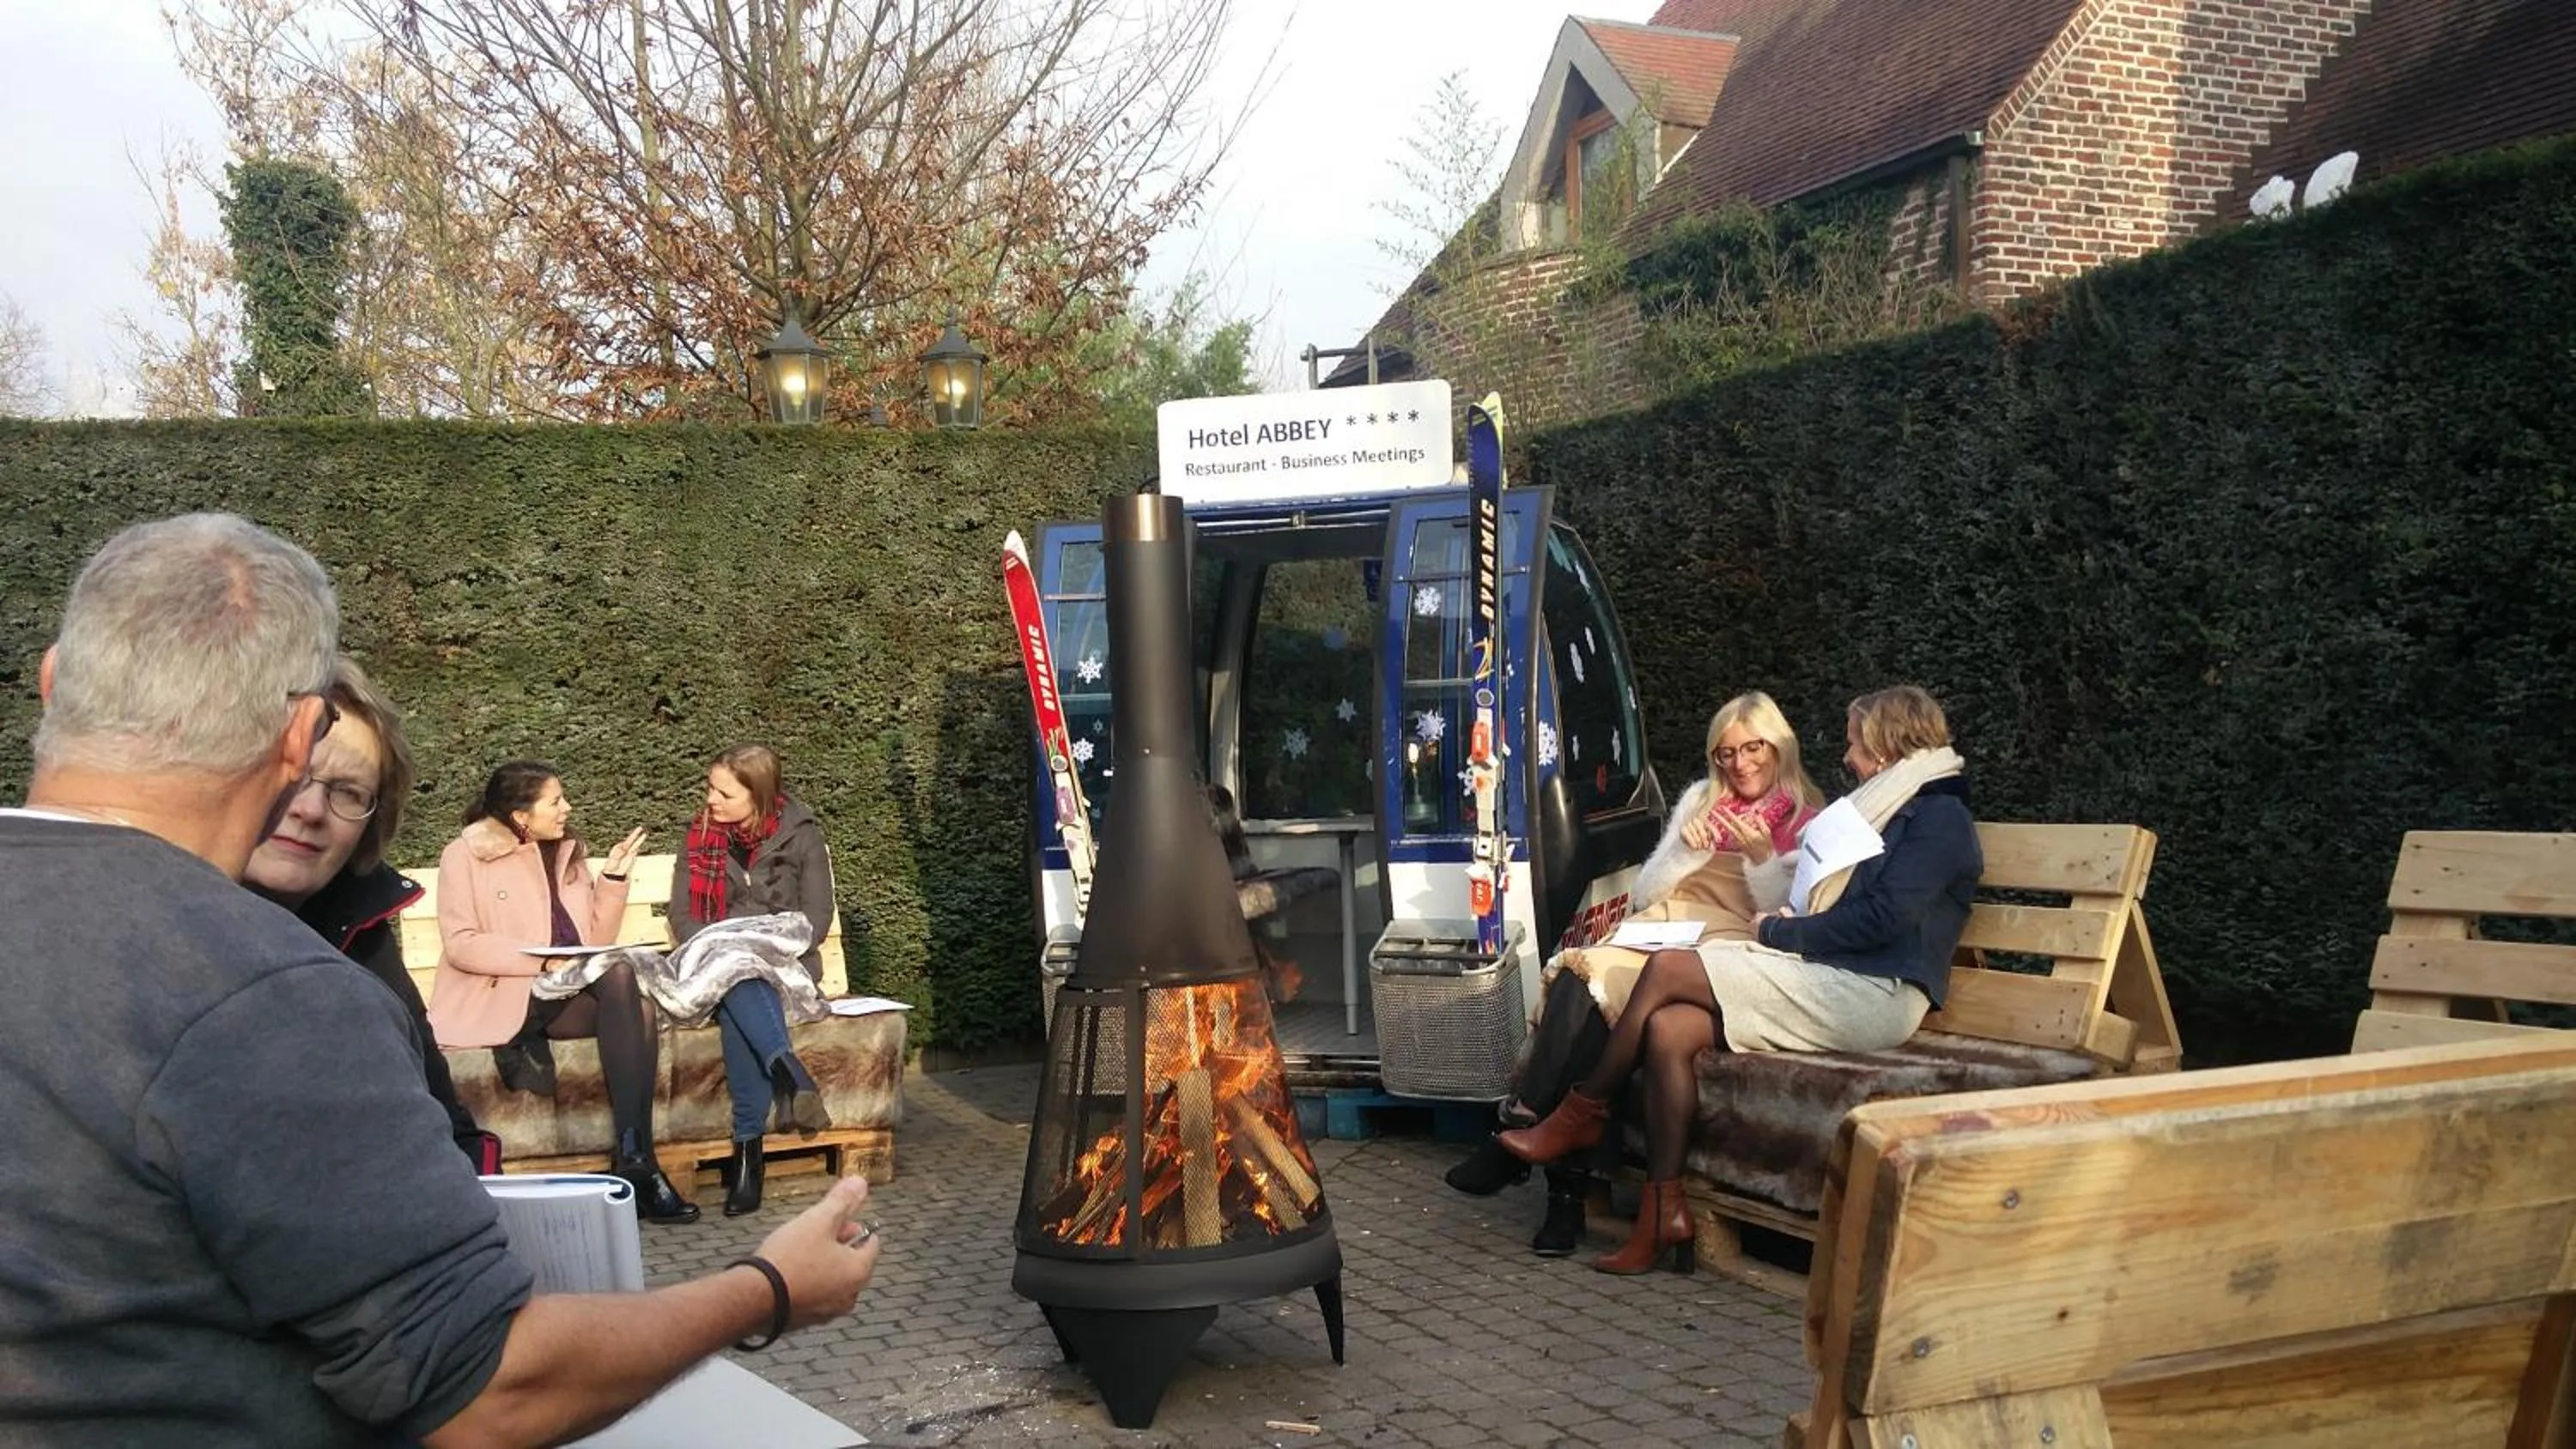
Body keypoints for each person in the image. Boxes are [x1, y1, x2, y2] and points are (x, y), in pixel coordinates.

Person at [0, 512, 880, 1446]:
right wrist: (770, 1287)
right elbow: (482, 1392)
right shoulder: (268, 995)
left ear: (54, 680)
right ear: (299, 737)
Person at [1498, 685, 1978, 1274]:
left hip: (1877, 993)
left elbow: (1886, 919)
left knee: (1668, 968)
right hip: (1833, 973)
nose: (1849, 756)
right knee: (1671, 1028)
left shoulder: (1939, 816)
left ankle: (1583, 1111)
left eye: (1855, 743)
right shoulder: (1887, 805)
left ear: (1885, 745)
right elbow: (1828, 902)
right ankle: (1661, 1212)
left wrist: (1781, 933)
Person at [1445, 691, 1821, 1257]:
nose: (1740, 765)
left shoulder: (1809, 819)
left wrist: (1764, 859)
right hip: (1663, 927)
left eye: (1753, 749)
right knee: (1580, 978)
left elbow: (1797, 919)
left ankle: (1532, 1161)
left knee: (1602, 1008)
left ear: (1780, 747)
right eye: (1725, 754)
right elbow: (1646, 891)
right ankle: (1556, 1182)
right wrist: (1682, 854)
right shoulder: (1701, 798)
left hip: (1727, 943)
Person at [428, 760, 701, 1223]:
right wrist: (541, 961)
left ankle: (635, 1159)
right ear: (521, 815)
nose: (567, 808)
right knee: (622, 986)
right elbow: (462, 944)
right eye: (555, 801)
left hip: (561, 990)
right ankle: (639, 1166)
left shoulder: (568, 852)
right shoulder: (464, 855)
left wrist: (613, 879)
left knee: (637, 1003)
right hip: (505, 992)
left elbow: (591, 941)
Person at [242, 655, 489, 1164]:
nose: (309, 810)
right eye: (292, 776)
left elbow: (443, 1120)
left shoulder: (365, 936)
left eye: (348, 793)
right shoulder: (158, 929)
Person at [668, 744, 835, 1217]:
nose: (710, 800)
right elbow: (683, 916)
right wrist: (725, 945)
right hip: (715, 964)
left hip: (786, 963)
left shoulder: (801, 836)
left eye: (723, 792)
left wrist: (753, 944)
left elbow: (816, 920)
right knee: (736, 974)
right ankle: (787, 1072)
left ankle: (749, 1154)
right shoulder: (698, 836)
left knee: (742, 978)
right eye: (710, 787)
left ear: (757, 795)